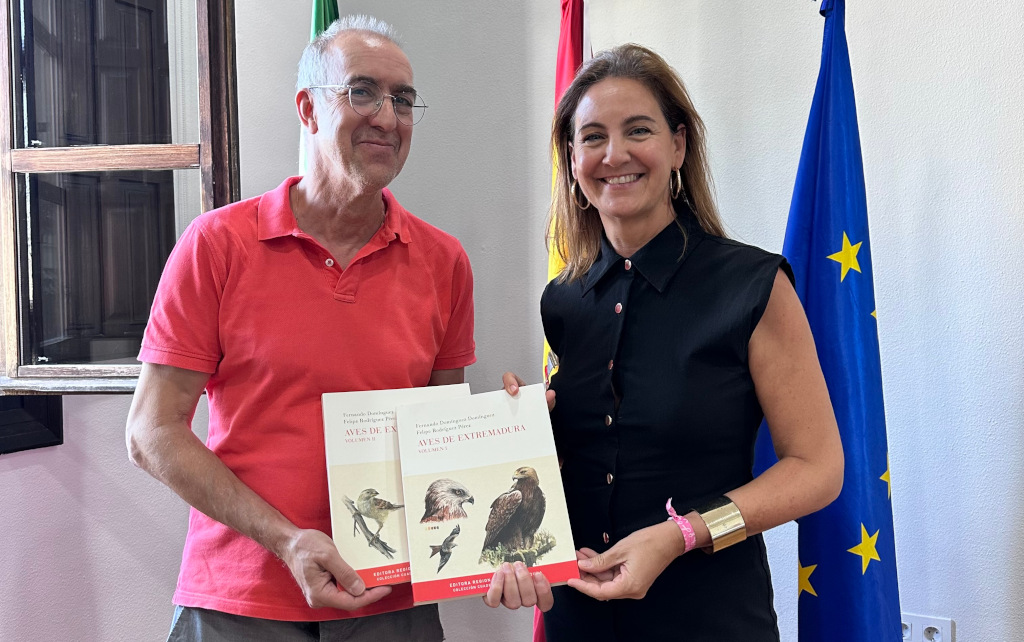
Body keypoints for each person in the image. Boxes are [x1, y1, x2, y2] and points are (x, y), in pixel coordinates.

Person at [126, 15, 474, 642]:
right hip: (240, 599)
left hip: (391, 599)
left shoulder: (444, 262)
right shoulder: (216, 246)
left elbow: (440, 441)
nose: (388, 118)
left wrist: (505, 432)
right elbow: (150, 432)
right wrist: (287, 541)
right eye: (362, 91)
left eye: (403, 99)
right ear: (308, 110)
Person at [486, 43, 844, 640]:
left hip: (710, 618)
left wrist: (685, 533)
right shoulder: (564, 300)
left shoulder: (752, 286)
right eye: (593, 136)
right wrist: (518, 436)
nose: (615, 154)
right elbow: (590, 456)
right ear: (572, 159)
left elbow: (818, 469)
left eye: (639, 130)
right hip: (579, 616)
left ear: (678, 146)